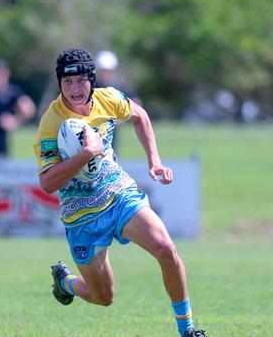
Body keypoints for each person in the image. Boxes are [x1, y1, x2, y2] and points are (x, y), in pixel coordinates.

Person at [33, 48, 206, 337]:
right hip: (81, 216)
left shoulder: (108, 99)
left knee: (165, 248)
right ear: (59, 83)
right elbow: (48, 183)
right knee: (104, 297)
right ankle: (66, 283)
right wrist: (86, 153)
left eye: (80, 81)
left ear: (91, 79)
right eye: (67, 82)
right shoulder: (50, 123)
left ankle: (187, 331)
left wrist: (155, 160)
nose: (74, 89)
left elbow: (140, 116)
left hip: (118, 194)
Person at [94, 50, 142, 155]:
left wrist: (121, 119)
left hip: (112, 133)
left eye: (108, 71)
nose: (105, 74)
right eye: (103, 71)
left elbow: (137, 104)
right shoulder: (92, 86)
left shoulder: (120, 87)